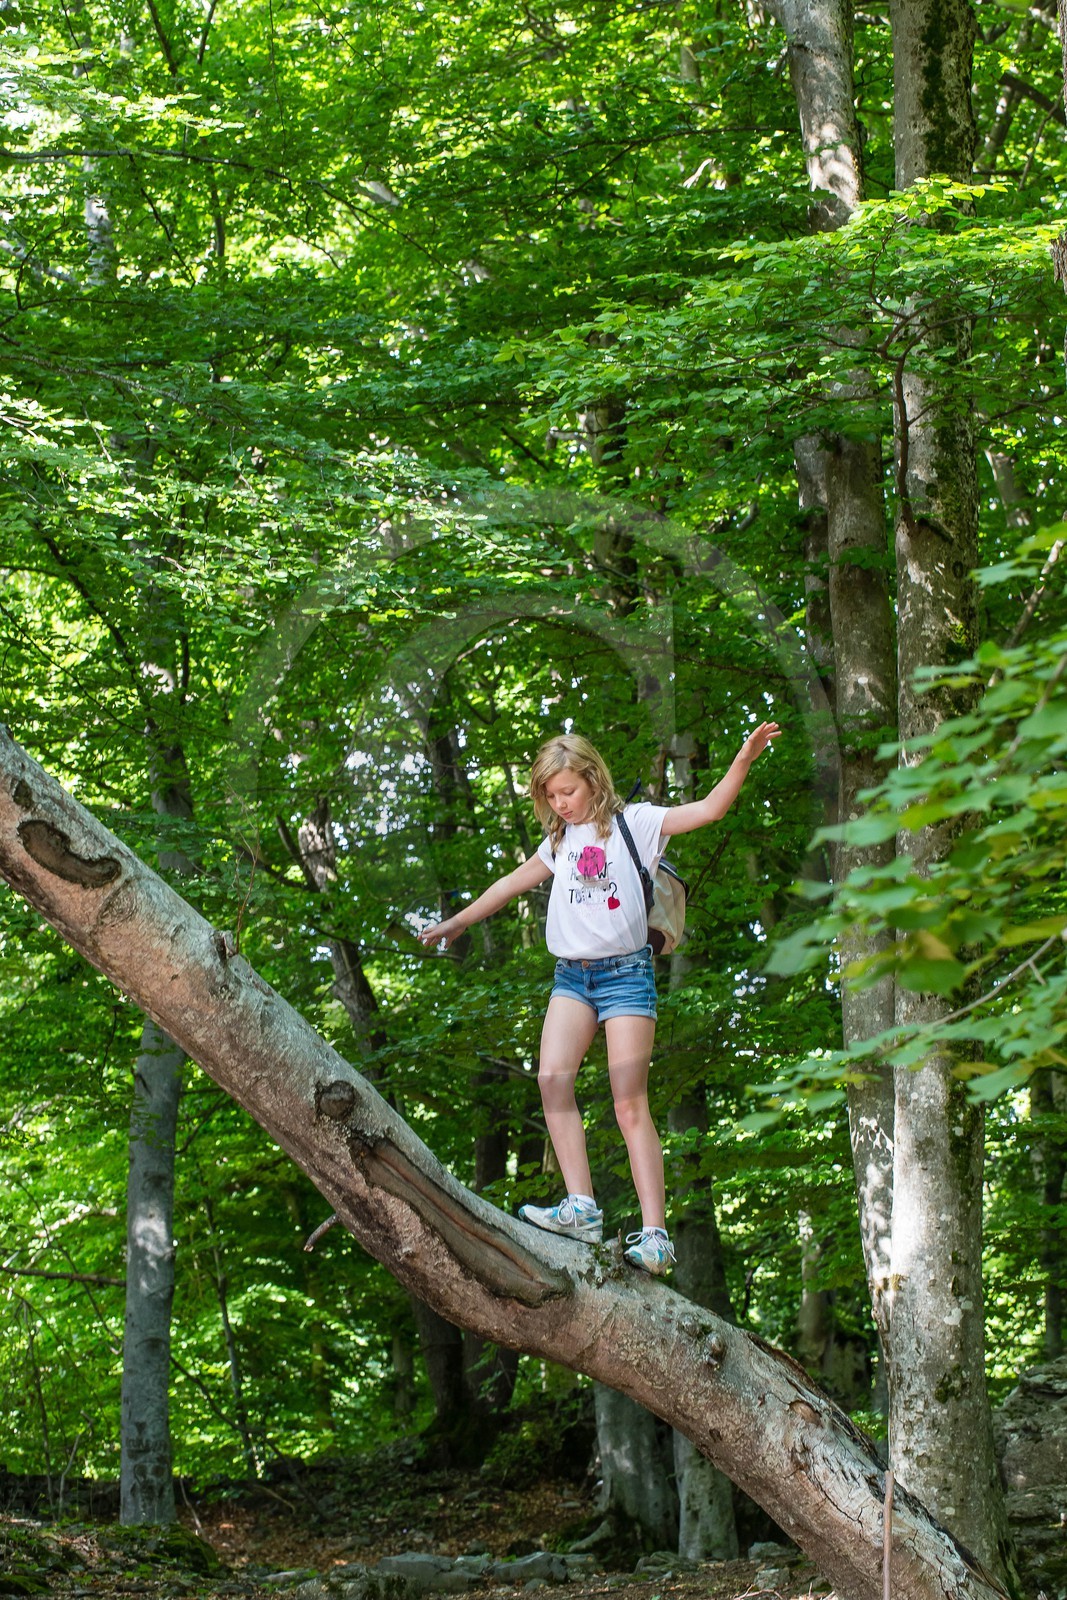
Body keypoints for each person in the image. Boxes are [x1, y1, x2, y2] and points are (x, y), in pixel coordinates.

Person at [418, 723, 780, 1275]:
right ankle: (582, 1209)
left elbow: (708, 810)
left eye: (569, 791)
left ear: (593, 780)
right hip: (572, 978)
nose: (561, 804)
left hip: (627, 976)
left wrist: (745, 757)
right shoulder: (559, 841)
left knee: (628, 1102)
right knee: (551, 1080)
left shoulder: (637, 823)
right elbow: (511, 883)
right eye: (551, 796)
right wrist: (456, 923)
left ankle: (656, 1237)